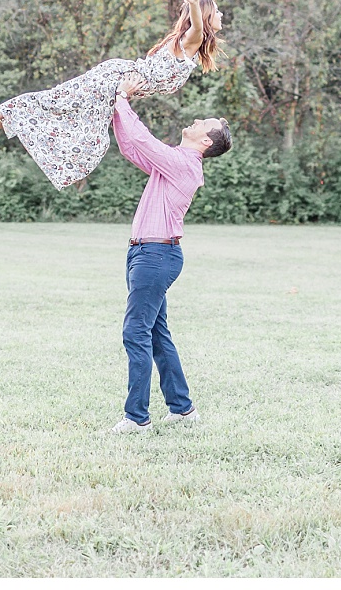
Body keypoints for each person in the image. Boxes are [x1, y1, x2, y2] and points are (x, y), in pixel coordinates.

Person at [0, 0, 223, 190]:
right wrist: (192, 2)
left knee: (74, 132)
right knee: (51, 106)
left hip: (115, 84)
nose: (221, 16)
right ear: (206, 16)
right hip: (112, 80)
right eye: (217, 12)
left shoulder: (190, 52)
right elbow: (197, 27)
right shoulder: (192, 39)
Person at [107, 71, 231, 434]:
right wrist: (118, 107)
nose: (194, 121)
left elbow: (143, 140)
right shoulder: (175, 160)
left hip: (155, 256)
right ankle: (182, 409)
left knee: (135, 332)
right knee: (156, 333)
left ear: (206, 140)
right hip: (147, 255)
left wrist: (123, 98)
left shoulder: (185, 164)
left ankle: (137, 418)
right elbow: (132, 147)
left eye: (201, 123)